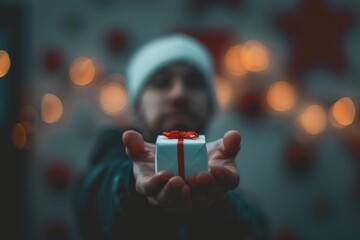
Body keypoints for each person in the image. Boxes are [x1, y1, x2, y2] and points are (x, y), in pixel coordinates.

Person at [74, 34, 269, 240]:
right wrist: (129, 184)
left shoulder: (225, 187)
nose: (179, 94)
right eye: (161, 83)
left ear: (210, 107)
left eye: (193, 83)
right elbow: (90, 195)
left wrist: (220, 206)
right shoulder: (112, 149)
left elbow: (258, 227)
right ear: (137, 108)